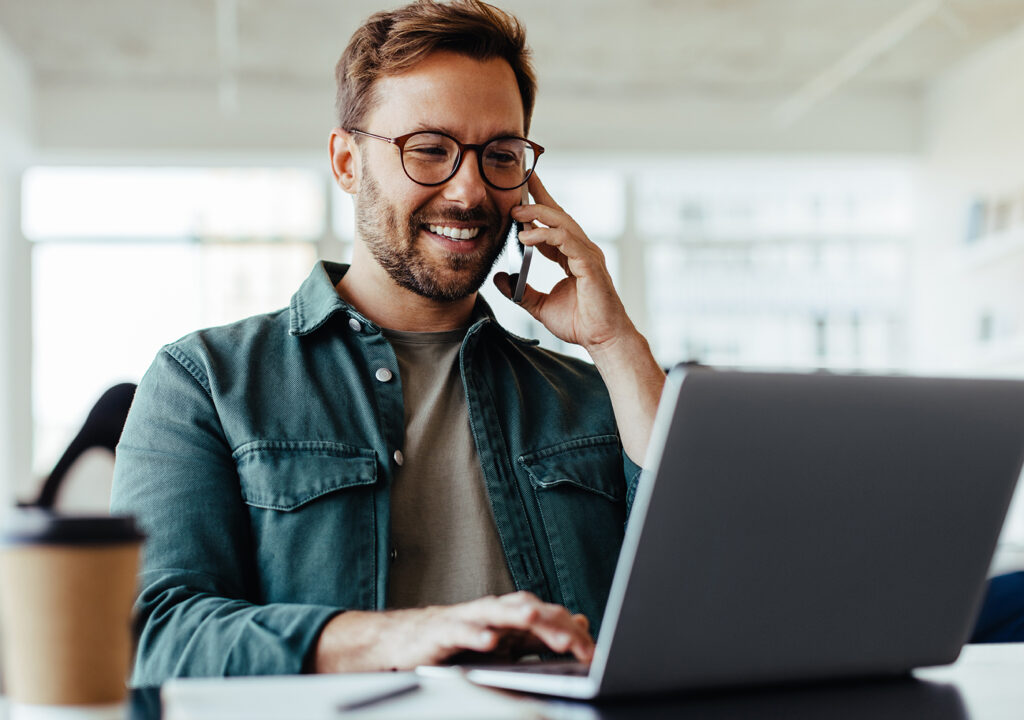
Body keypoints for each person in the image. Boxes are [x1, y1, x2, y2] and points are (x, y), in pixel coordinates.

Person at [111, 0, 665, 684]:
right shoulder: (205, 382)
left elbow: (709, 589)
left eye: (500, 155)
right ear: (347, 161)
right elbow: (149, 634)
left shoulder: (590, 396)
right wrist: (404, 635)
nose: (469, 191)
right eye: (429, 149)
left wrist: (615, 343)